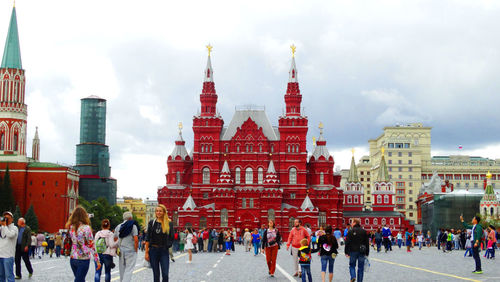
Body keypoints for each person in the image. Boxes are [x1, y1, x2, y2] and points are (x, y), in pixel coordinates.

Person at [66, 206, 101, 282]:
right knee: (80, 280)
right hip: (83, 258)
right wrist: (97, 260)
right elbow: (91, 245)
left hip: (73, 258)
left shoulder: (71, 227)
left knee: (80, 279)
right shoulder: (86, 228)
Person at [144, 204, 174, 282]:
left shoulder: (169, 223)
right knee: (156, 274)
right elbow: (147, 238)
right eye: (157, 211)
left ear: (164, 212)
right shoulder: (152, 223)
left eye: (160, 211)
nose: (158, 212)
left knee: (165, 274)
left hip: (164, 251)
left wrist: (167, 245)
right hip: (153, 250)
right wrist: (146, 252)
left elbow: (171, 237)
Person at [114, 211, 139, 282]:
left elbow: (115, 238)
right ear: (131, 218)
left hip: (121, 250)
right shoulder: (133, 226)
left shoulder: (118, 226)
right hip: (130, 250)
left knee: (122, 269)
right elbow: (136, 239)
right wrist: (136, 249)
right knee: (129, 269)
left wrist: (117, 246)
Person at [0, 211, 18, 282]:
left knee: (9, 275)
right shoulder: (1, 228)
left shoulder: (14, 228)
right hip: (0, 255)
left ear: (12, 219)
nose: (6, 219)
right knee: (1, 276)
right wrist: (2, 225)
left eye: (8, 218)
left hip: (8, 255)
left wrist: (4, 226)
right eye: (5, 217)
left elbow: (10, 235)